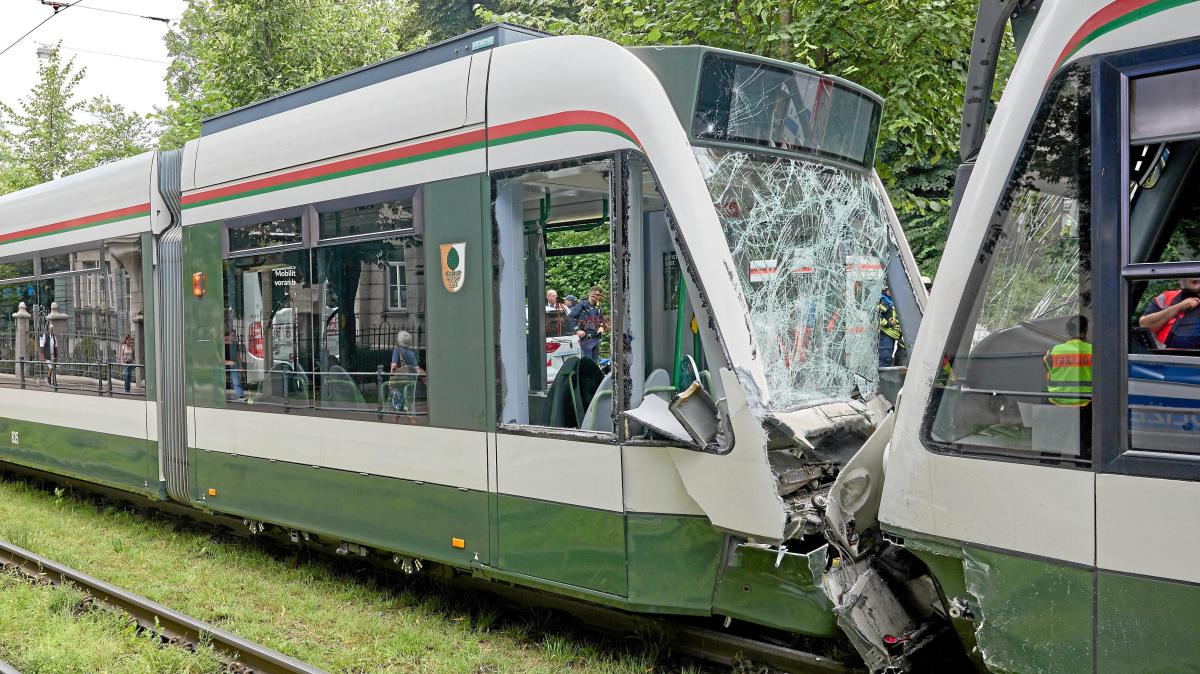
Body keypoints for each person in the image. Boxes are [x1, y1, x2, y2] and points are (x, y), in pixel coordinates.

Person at [1043, 315, 1092, 407]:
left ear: (1069, 332)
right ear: (1085, 330)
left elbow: (1047, 367)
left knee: (1043, 391)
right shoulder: (1092, 351)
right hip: (1085, 400)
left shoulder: (1056, 350)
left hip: (1057, 399)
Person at [1138, 278, 1200, 348]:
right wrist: (1179, 307)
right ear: (1181, 280)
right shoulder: (1166, 297)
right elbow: (1145, 325)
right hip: (1166, 356)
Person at [569, 286, 607, 361]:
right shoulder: (582, 305)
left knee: (595, 365)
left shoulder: (598, 306)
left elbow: (601, 319)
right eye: (596, 295)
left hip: (596, 339)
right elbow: (571, 318)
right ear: (590, 294)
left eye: (599, 295)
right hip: (585, 340)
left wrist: (601, 327)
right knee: (587, 365)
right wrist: (577, 330)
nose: (598, 297)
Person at [877, 287, 905, 367]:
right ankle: (881, 379)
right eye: (890, 290)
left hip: (893, 335)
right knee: (884, 359)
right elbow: (875, 316)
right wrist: (888, 323)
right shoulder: (883, 301)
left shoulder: (893, 302)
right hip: (885, 335)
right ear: (885, 290)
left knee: (888, 358)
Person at [224, 328, 245, 401]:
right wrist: (226, 362)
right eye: (232, 335)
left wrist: (241, 366)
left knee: (236, 380)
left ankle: (240, 396)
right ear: (227, 336)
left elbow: (238, 356)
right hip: (222, 365)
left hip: (233, 364)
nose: (233, 337)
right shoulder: (220, 344)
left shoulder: (235, 344)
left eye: (234, 336)